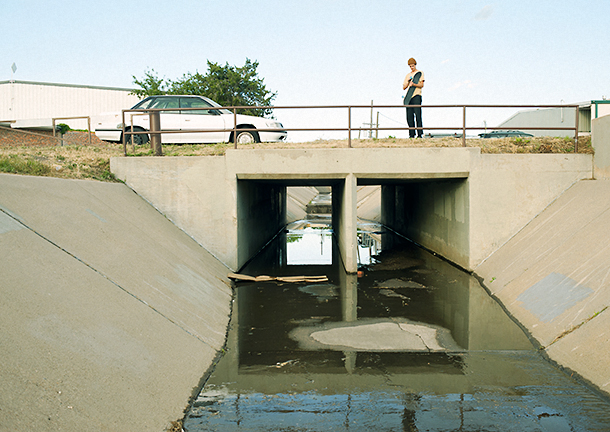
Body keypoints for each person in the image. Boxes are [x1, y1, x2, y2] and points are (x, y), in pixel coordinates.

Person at [403, 58, 425, 138]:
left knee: (418, 115)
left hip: (417, 96)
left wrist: (414, 85)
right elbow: (404, 87)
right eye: (410, 66)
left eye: (413, 66)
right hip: (409, 98)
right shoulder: (407, 75)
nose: (412, 67)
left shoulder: (420, 73)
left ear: (415, 65)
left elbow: (422, 85)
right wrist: (408, 83)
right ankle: (411, 134)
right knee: (409, 116)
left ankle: (420, 134)